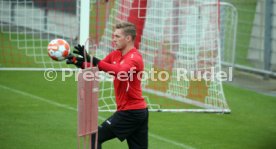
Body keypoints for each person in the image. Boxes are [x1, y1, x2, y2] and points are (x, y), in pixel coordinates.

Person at [66, 21, 148, 149]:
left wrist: (93, 58)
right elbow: (98, 67)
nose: (113, 39)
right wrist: (78, 61)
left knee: (95, 137)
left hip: (131, 112)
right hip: (137, 111)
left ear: (128, 38)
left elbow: (120, 72)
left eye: (117, 36)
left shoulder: (134, 58)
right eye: (113, 36)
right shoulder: (115, 54)